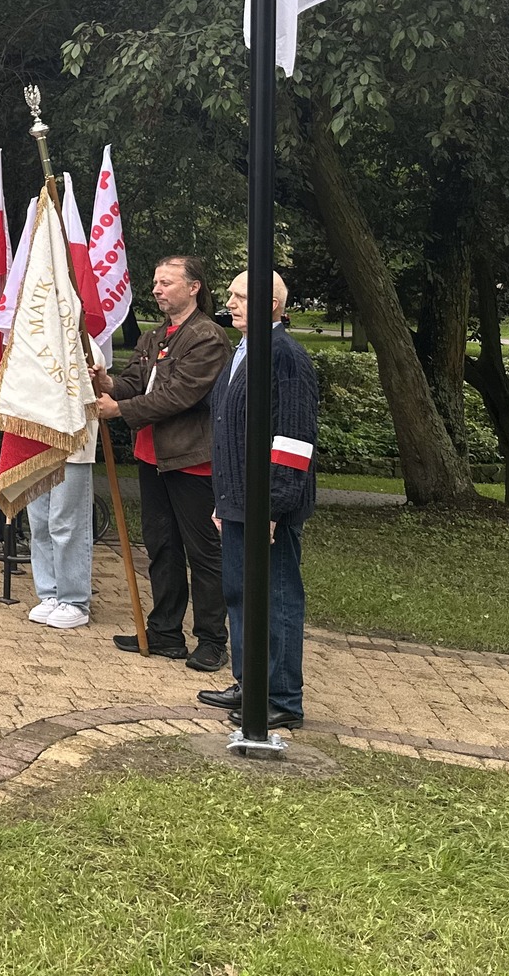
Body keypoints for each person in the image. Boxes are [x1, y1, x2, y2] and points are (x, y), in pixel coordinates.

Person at [93, 256, 233, 670]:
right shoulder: (154, 335)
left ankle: (212, 640)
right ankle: (165, 632)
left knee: (203, 553)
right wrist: (107, 382)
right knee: (161, 546)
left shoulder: (208, 337)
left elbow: (179, 395)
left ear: (194, 287)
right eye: (156, 282)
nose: (157, 289)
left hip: (191, 460)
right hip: (151, 457)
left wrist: (119, 409)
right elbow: (135, 382)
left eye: (167, 282)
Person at [198, 270, 319, 731]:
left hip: (269, 506)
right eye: (230, 294)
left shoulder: (284, 356)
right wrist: (224, 498)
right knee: (240, 592)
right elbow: (228, 428)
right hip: (237, 500)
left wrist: (272, 507)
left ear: (270, 304)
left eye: (240, 296)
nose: (229, 302)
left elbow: (293, 439)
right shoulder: (244, 351)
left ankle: (282, 698)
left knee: (276, 596)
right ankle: (250, 683)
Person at [24, 448, 95, 631]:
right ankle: (50, 593)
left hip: (72, 440)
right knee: (39, 522)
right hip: (34, 440)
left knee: (66, 522)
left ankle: (75, 600)